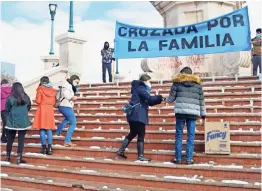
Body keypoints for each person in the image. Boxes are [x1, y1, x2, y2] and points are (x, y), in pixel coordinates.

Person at [116, 74, 163, 161]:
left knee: (132, 133)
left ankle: (120, 151)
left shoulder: (137, 89)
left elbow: (149, 102)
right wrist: (159, 97)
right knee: (141, 135)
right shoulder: (141, 88)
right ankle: (140, 156)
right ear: (145, 81)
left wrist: (159, 100)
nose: (150, 84)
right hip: (138, 115)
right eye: (149, 82)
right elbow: (149, 99)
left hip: (133, 115)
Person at [164, 67, 206, 165]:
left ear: (181, 74)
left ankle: (178, 158)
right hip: (193, 114)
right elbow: (201, 101)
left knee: (179, 135)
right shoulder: (198, 86)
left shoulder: (176, 84)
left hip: (180, 113)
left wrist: (163, 99)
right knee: (190, 136)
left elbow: (170, 99)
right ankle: (189, 159)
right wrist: (203, 114)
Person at [5, 82, 31, 165]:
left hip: (12, 122)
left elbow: (7, 108)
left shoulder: (10, 97)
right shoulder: (26, 97)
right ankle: (19, 158)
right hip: (23, 122)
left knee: (10, 139)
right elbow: (28, 107)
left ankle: (7, 157)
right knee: (21, 140)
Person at [32, 76, 56, 155]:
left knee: (42, 129)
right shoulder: (53, 90)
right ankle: (49, 148)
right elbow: (53, 103)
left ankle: (43, 148)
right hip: (49, 110)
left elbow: (38, 101)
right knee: (49, 129)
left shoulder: (40, 89)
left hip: (42, 109)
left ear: (41, 82)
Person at [56, 75, 80, 147]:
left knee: (67, 119)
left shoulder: (68, 85)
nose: (77, 84)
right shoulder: (67, 86)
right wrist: (72, 97)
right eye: (76, 82)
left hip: (64, 106)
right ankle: (67, 141)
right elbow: (66, 94)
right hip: (65, 106)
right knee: (73, 123)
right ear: (73, 79)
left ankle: (58, 131)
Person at [1, 79, 12, 143]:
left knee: (5, 123)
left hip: (3, 109)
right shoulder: (11, 89)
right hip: (10, 108)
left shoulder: (0, 89)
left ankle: (5, 137)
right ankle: (4, 137)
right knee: (7, 123)